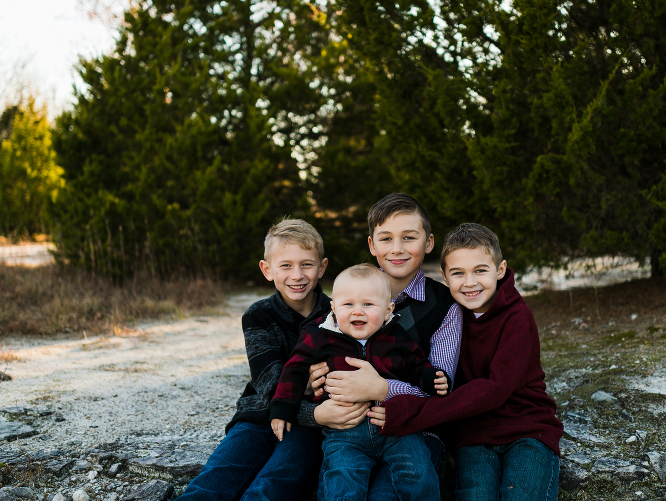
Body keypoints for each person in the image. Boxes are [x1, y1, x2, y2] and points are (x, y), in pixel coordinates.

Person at [373, 223, 564, 501]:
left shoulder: (517, 317)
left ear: (500, 270)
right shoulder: (450, 316)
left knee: (522, 494)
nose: (470, 282)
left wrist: (410, 412)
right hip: (472, 433)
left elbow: (494, 390)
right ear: (444, 276)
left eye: (480, 270)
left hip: (527, 428)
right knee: (476, 495)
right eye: (458, 273)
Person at [308, 193, 463, 499]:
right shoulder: (349, 293)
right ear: (371, 245)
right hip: (349, 428)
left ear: (428, 242)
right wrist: (313, 380)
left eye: (409, 237)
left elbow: (440, 392)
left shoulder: (446, 306)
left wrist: (380, 388)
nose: (397, 249)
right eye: (386, 238)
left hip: (415, 431)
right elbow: (316, 353)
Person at [177, 219, 331, 501]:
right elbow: (271, 384)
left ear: (322, 267)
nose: (297, 275)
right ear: (267, 270)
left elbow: (328, 386)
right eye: (285, 265)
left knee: (273, 484)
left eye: (306, 264)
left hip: (310, 425)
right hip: (258, 416)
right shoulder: (258, 315)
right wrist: (303, 385)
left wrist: (311, 400)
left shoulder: (337, 317)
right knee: (214, 480)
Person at [270, 264, 449, 501]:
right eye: (348, 304)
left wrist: (429, 378)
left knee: (418, 472)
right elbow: (294, 370)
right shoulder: (319, 336)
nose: (357, 312)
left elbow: (416, 364)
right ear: (333, 308)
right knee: (341, 481)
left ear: (388, 310)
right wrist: (283, 407)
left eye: (368, 304)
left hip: (394, 427)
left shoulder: (396, 336)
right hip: (344, 432)